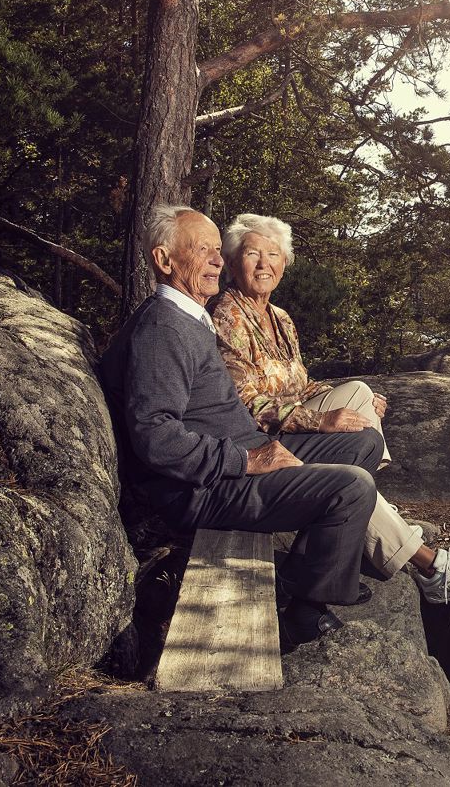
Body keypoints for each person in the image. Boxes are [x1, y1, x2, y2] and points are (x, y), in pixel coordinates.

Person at [98, 205, 379, 647]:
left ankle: (298, 576)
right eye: (202, 250)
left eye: (216, 249)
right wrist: (246, 459)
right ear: (164, 260)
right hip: (205, 486)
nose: (216, 260)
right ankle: (306, 609)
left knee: (360, 441)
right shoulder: (162, 328)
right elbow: (155, 436)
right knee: (352, 487)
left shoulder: (191, 317)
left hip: (245, 451)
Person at [210, 212, 450, 605]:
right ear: (231, 262)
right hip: (261, 438)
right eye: (252, 253)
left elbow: (301, 384)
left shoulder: (279, 318)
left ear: (285, 264)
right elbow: (242, 401)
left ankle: (365, 506)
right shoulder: (226, 316)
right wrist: (320, 418)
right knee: (353, 405)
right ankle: (431, 567)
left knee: (361, 391)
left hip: (289, 422)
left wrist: (341, 398)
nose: (264, 263)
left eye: (273, 254)